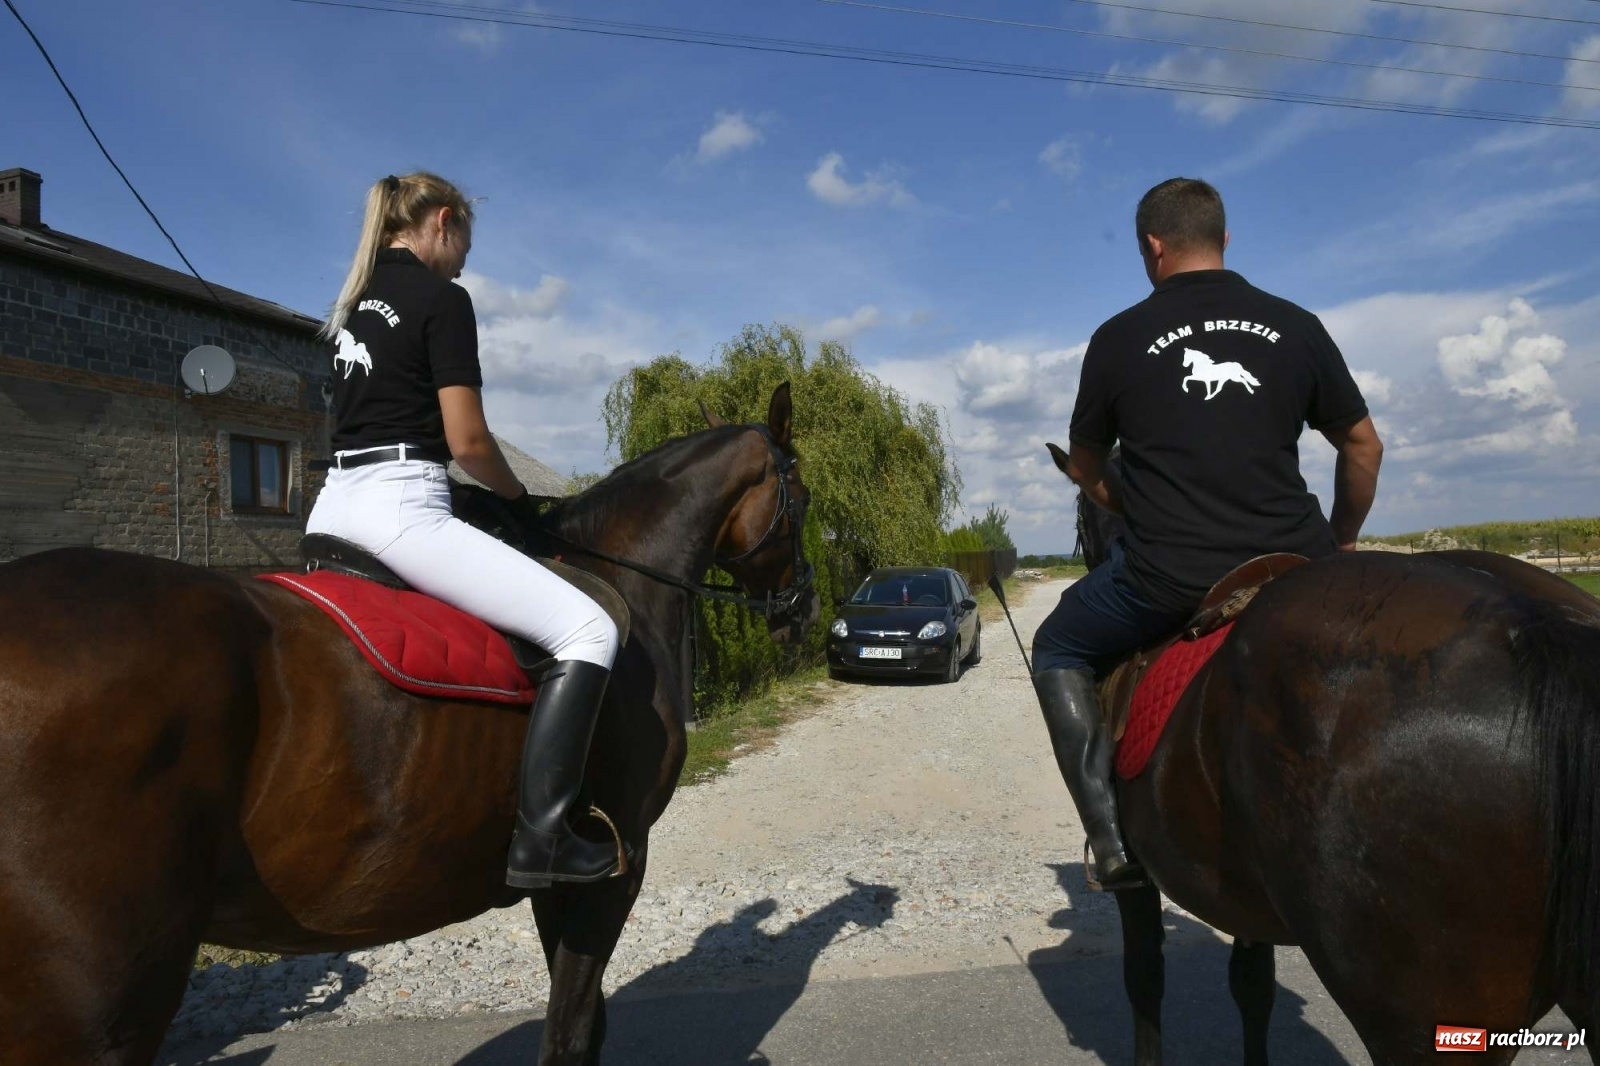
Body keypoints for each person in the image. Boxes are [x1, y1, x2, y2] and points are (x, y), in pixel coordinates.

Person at [1032, 177, 1383, 890]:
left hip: (1171, 577)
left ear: (1152, 247)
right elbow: (1364, 447)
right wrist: (1340, 543)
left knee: (1057, 644)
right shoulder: (1296, 323)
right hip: (1300, 565)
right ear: (1224, 239)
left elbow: (1088, 468)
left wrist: (1139, 513)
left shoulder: (1118, 337)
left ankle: (1108, 839)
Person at [306, 171, 626, 888]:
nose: (462, 264)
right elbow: (469, 443)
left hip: (330, 512)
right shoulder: (443, 299)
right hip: (400, 509)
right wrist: (518, 502)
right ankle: (543, 840)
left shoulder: (353, 304)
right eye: (463, 248)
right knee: (589, 631)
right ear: (442, 222)